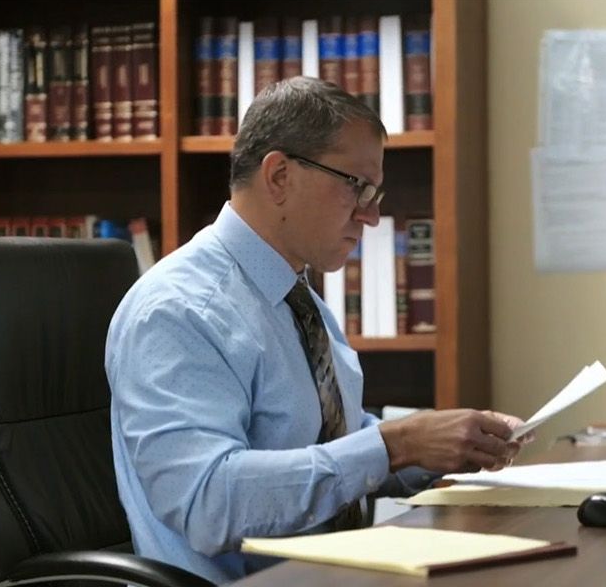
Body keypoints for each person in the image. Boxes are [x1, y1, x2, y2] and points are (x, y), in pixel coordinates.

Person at [106, 76, 528, 584]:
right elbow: (206, 502)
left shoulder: (297, 297)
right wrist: (395, 445)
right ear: (280, 176)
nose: (372, 216)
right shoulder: (179, 310)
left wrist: (444, 444)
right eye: (357, 186)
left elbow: (322, 440)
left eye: (376, 192)